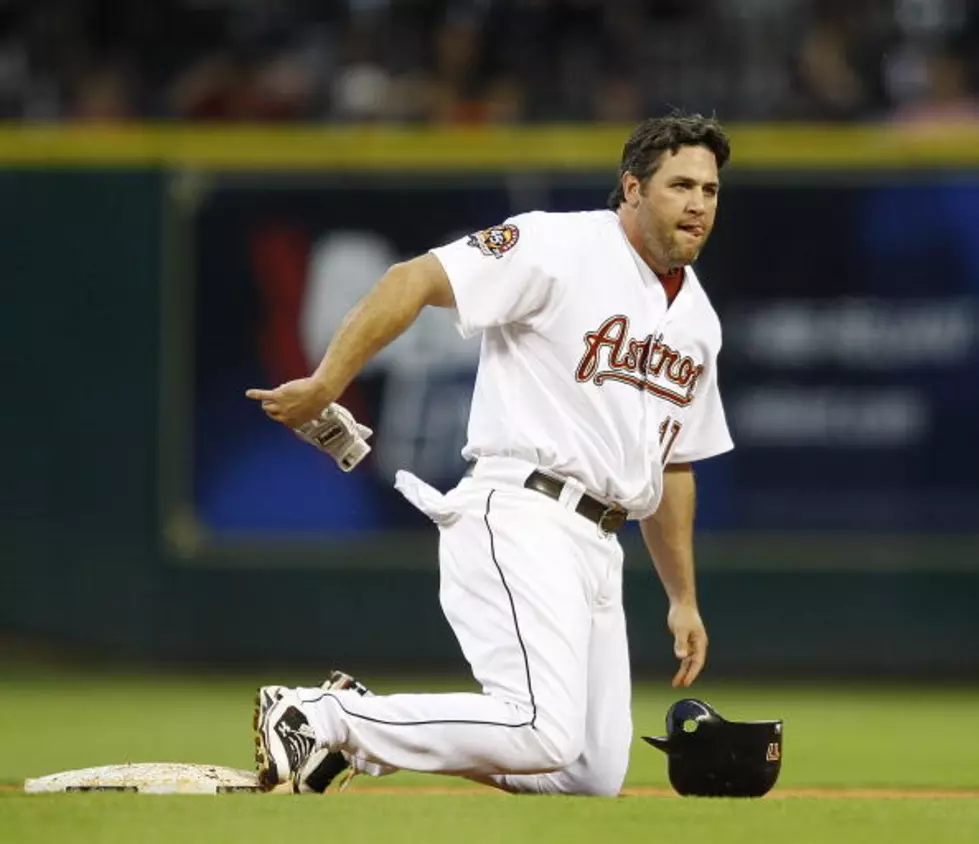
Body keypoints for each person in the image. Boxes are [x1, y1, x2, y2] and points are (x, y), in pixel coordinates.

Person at [245, 112, 733, 797]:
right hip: (523, 510)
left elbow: (673, 463)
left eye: (709, 191)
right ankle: (320, 715)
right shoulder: (554, 244)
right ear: (631, 188)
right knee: (539, 730)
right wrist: (329, 381)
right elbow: (413, 278)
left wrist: (682, 596)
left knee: (587, 774)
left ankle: (361, 730)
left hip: (601, 541)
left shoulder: (698, 321)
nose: (697, 204)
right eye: (680, 185)